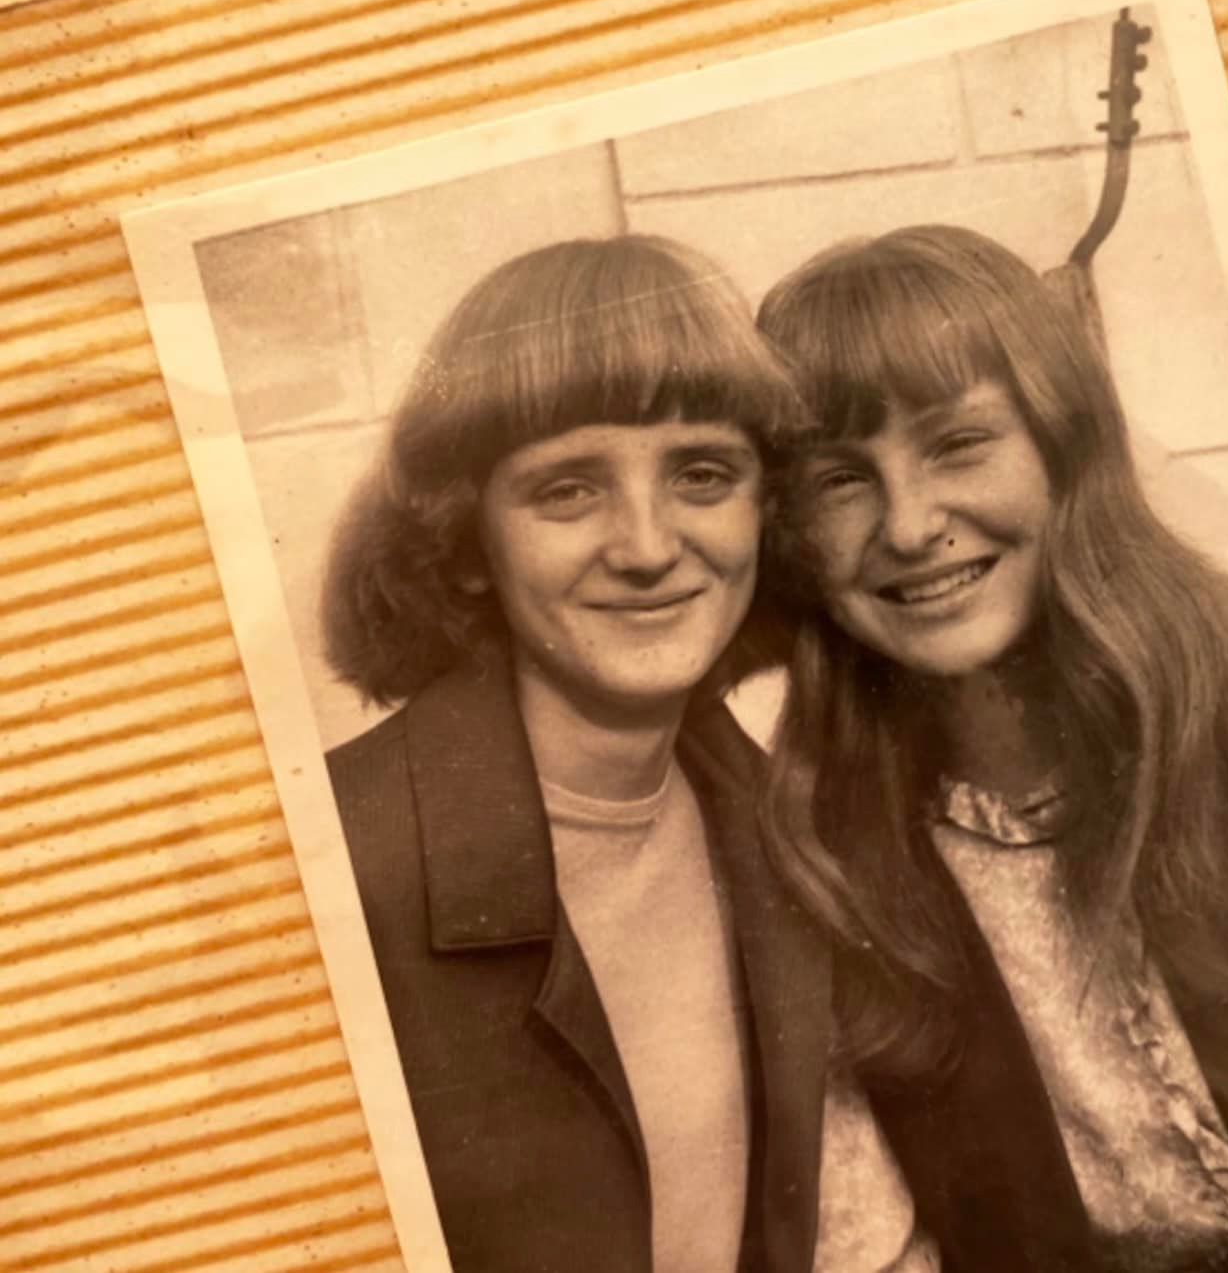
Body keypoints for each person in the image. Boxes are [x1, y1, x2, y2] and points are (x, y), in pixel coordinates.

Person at [321, 233, 958, 1273]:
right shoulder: (334, 864)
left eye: (702, 474)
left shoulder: (775, 825)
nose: (650, 547)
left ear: (765, 515)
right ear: (467, 541)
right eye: (569, 489)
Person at [757, 224, 1228, 1273]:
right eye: (840, 480)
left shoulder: (1227, 703)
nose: (910, 524)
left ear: (1064, 446)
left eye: (958, 443)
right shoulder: (823, 845)